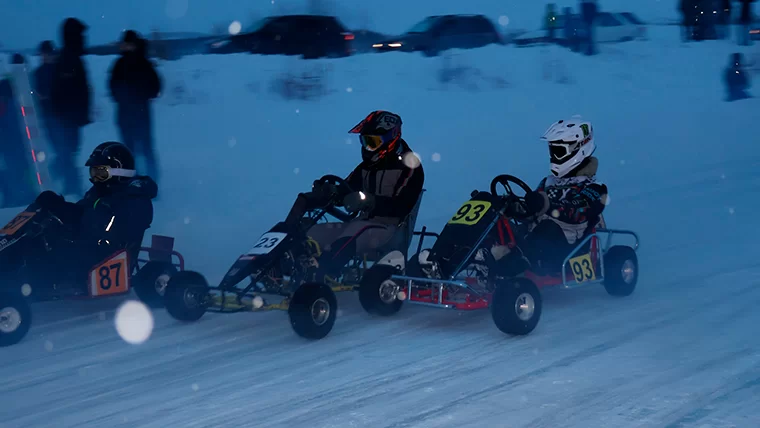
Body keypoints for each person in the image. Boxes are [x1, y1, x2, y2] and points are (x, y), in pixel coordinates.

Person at [285, 110, 424, 278]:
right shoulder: (366, 166)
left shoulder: (410, 167)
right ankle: (284, 268)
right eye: (365, 141)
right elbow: (347, 188)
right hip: (361, 223)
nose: (367, 147)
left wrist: (370, 202)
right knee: (309, 234)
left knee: (347, 239)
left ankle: (322, 275)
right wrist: (331, 192)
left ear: (390, 139)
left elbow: (401, 206)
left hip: (389, 228)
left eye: (372, 142)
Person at [483, 118, 608, 276]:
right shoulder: (548, 181)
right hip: (538, 241)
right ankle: (462, 258)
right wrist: (513, 207)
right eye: (552, 150)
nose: (554, 156)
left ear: (580, 149)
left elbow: (577, 212)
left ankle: (511, 264)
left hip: (567, 250)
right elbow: (533, 210)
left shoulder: (595, 187)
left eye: (559, 151)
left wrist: (546, 204)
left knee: (547, 229)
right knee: (499, 224)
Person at [32, 142, 157, 289]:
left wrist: (66, 227)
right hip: (86, 249)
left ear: (119, 173)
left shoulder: (135, 201)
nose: (95, 178)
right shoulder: (101, 193)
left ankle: (19, 288)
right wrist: (59, 208)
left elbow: (104, 235)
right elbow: (81, 212)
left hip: (101, 259)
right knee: (39, 225)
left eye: (101, 173)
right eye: (93, 172)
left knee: (40, 254)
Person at [108, 30, 162, 184]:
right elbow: (112, 87)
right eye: (124, 44)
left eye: (127, 44)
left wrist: (140, 96)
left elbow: (156, 86)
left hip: (141, 113)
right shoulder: (119, 64)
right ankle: (131, 181)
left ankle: (152, 181)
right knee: (128, 151)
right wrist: (122, 98)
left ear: (133, 44)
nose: (124, 46)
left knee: (145, 149)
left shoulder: (143, 63)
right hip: (125, 114)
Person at [50, 17, 92, 197]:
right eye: (81, 34)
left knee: (69, 151)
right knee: (66, 152)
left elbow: (80, 89)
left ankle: (70, 183)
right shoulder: (67, 59)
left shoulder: (72, 58)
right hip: (66, 117)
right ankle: (69, 184)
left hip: (70, 117)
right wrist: (73, 112)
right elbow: (64, 90)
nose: (84, 38)